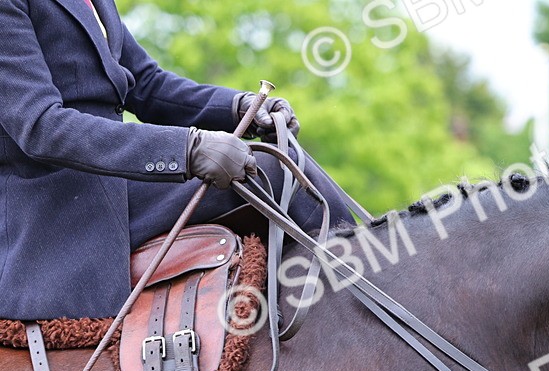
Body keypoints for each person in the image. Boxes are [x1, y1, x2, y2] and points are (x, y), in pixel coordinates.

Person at [0, 0, 355, 321]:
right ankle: (365, 292)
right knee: (273, 174)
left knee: (287, 163)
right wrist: (187, 149)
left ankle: (350, 299)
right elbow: (41, 127)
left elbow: (147, 85)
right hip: (57, 204)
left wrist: (236, 107)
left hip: (116, 185)